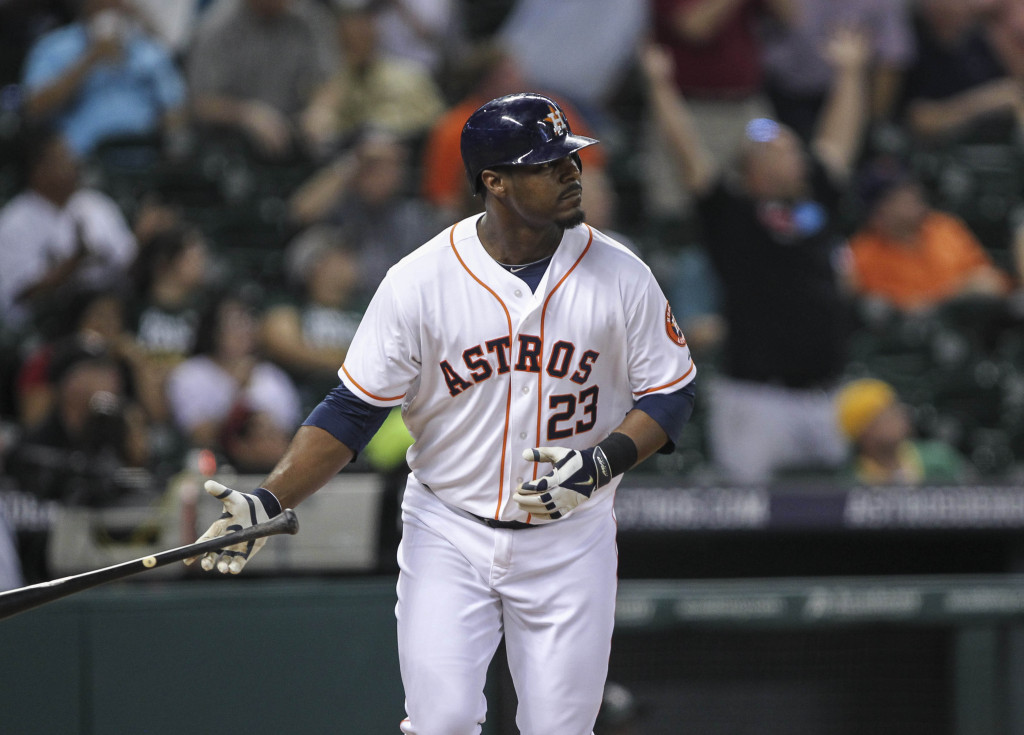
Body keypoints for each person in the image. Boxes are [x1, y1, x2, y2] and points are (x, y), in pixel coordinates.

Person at [186, 92, 697, 734]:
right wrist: (269, 499)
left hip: (572, 538)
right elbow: (351, 412)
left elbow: (670, 392)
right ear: (495, 182)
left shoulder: (622, 274)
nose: (572, 173)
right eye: (547, 165)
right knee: (443, 722)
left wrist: (601, 463)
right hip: (448, 530)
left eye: (570, 159)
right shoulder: (419, 281)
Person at [640, 29, 870, 484]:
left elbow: (840, 141)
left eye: (792, 148)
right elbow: (688, 155)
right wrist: (661, 87)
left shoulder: (815, 204)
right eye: (779, 149)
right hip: (755, 398)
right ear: (751, 169)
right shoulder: (733, 214)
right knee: (748, 519)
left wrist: (850, 72)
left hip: (826, 394)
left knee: (833, 517)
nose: (795, 157)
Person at [0, 125, 137, 333]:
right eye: (63, 158)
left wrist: (145, 239)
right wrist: (73, 263)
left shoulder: (95, 204)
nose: (74, 163)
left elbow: (130, 265)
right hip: (43, 330)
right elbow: (19, 297)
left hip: (106, 314)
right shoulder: (13, 222)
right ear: (38, 171)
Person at [20, 0, 188, 157]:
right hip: (79, 162)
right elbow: (34, 108)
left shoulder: (147, 49)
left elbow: (176, 108)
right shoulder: (54, 47)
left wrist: (169, 137)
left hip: (143, 159)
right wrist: (91, 58)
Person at [848, 157, 1014, 313]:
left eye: (910, 187)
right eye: (899, 194)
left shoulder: (945, 228)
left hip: (966, 325)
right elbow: (884, 312)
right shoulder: (862, 255)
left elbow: (989, 280)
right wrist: (953, 296)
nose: (913, 194)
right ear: (878, 211)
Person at [186, 0, 339, 160]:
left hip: (296, 138)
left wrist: (321, 108)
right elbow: (200, 103)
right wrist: (246, 114)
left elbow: (329, 78)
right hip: (232, 149)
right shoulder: (217, 25)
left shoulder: (308, 18)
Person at [299, 1, 446, 159]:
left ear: (373, 32)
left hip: (406, 162)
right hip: (351, 162)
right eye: (346, 37)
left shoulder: (407, 76)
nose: (354, 39)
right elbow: (317, 125)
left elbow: (433, 127)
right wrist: (320, 113)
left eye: (361, 31)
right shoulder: (338, 81)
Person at [835, 377, 970, 484]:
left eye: (896, 407)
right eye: (886, 414)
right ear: (864, 432)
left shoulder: (939, 459)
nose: (900, 415)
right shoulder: (851, 482)